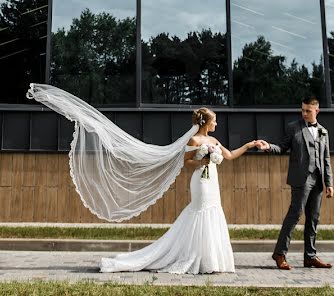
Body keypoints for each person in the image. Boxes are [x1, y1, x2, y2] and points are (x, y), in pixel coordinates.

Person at [98, 107, 257, 274]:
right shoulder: (193, 140)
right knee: (201, 212)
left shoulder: (214, 141)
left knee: (213, 211)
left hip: (212, 182)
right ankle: (194, 257)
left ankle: (209, 260)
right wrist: (201, 163)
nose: (216, 124)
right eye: (214, 121)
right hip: (201, 182)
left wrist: (249, 145)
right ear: (206, 123)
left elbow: (230, 155)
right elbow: (186, 162)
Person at [254, 95, 334, 270]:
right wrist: (268, 147)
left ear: (316, 110)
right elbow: (282, 148)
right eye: (303, 110)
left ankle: (310, 256)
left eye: (308, 110)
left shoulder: (323, 131)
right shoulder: (294, 128)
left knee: (313, 218)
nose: (304, 113)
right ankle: (280, 254)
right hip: (301, 179)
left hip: (318, 180)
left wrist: (329, 183)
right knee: (295, 215)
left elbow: (326, 158)